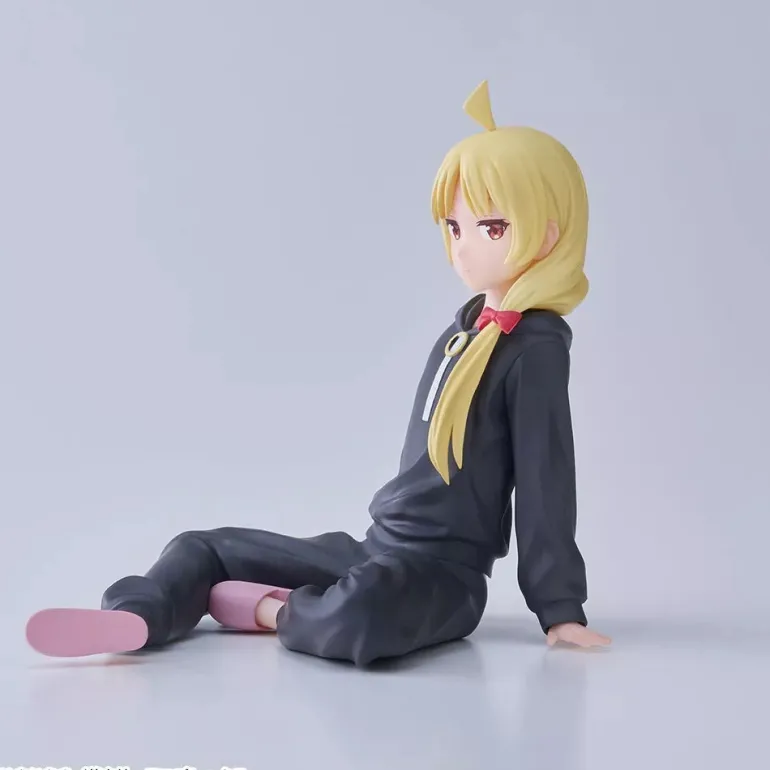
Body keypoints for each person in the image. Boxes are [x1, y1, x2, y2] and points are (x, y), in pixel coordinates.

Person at [26, 80, 611, 667]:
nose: (461, 249)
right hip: (377, 546)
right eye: (454, 228)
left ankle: (268, 611)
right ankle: (137, 616)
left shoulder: (534, 348)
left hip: (444, 576)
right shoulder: (467, 330)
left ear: (548, 232)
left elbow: (546, 478)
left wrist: (560, 609)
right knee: (201, 548)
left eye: (491, 228)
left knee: (362, 613)